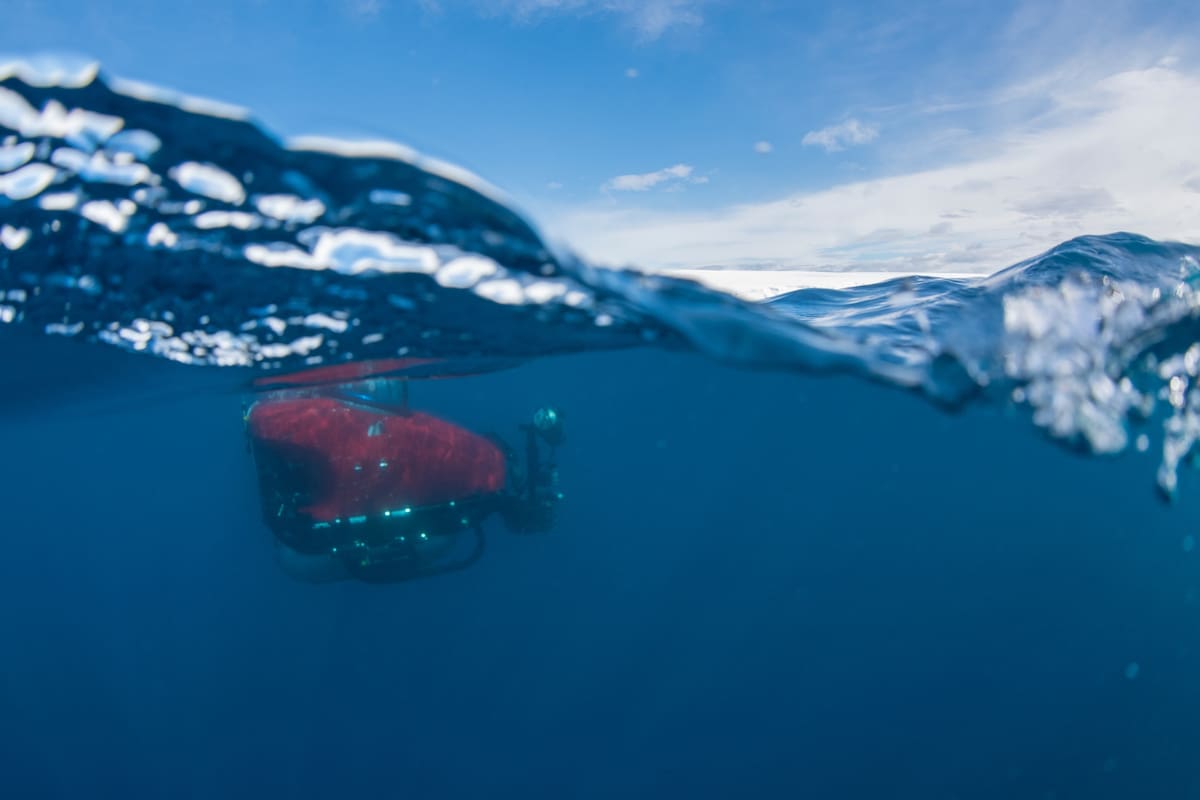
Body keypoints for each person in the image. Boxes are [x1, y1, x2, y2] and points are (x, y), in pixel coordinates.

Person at [244, 378, 564, 583]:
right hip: (323, 543)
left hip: (310, 547)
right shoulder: (443, 448)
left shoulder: (284, 420)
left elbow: (264, 420)